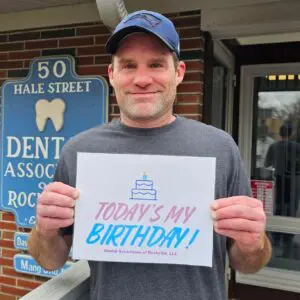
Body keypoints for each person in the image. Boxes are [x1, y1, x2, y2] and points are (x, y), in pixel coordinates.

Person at [28, 10, 272, 300]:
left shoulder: (219, 148)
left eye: (156, 64)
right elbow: (51, 260)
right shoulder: (79, 152)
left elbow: (247, 263)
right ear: (112, 75)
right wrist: (44, 231)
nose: (142, 79)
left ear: (178, 72)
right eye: (128, 66)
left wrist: (254, 242)